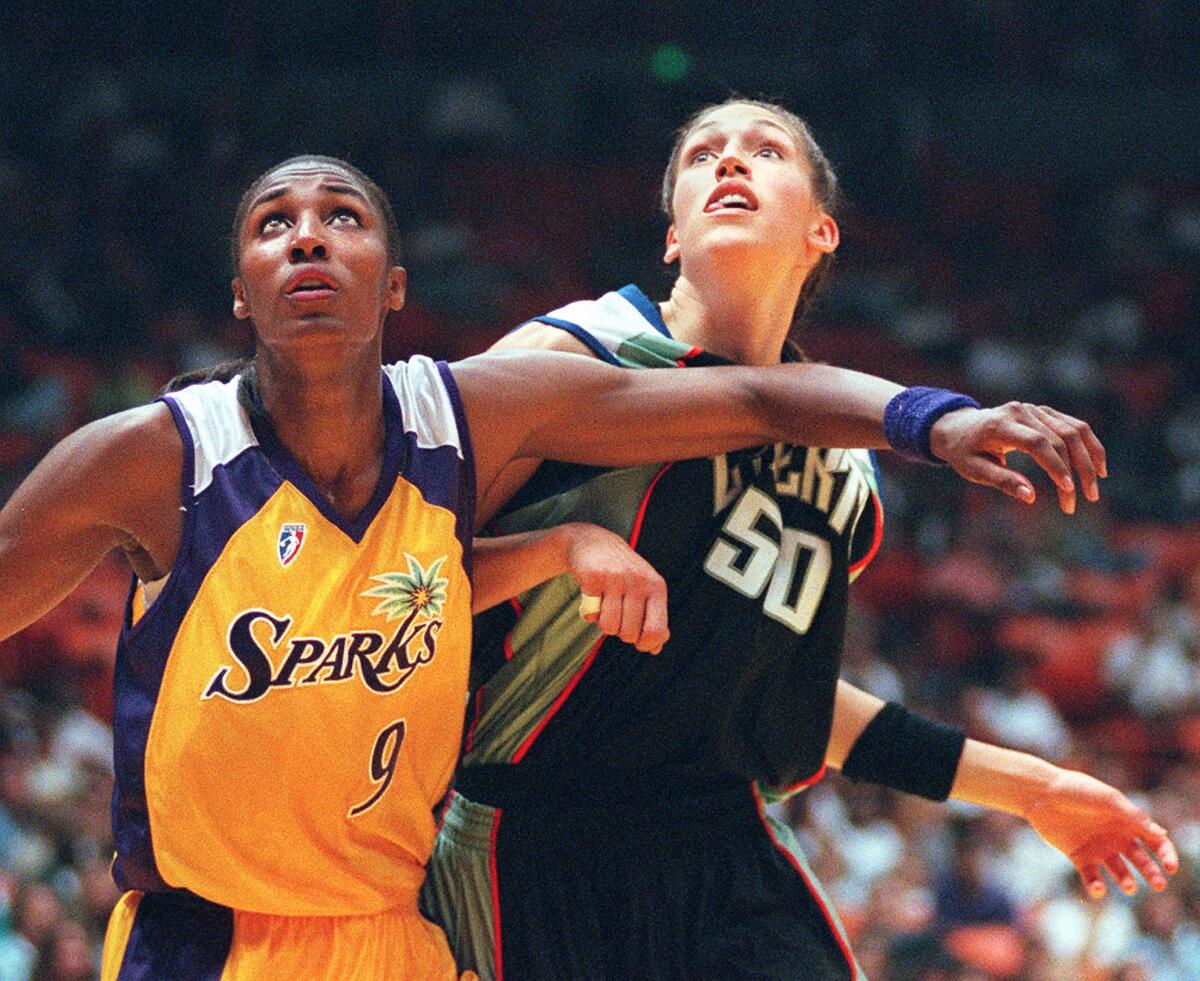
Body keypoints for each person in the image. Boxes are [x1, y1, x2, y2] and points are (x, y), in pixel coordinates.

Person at [0, 154, 1090, 980]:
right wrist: (566, 546)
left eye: (342, 219)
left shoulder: (468, 415)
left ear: (394, 286)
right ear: (241, 292)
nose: (308, 239)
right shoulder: (152, 460)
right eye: (273, 226)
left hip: (396, 932)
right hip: (207, 935)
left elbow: (751, 402)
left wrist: (931, 422)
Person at [420, 100, 1178, 980]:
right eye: (703, 155)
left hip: (724, 845)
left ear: (822, 231)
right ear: (672, 235)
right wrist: (564, 546)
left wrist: (1033, 788)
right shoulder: (576, 349)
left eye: (764, 150)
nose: (730, 163)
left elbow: (781, 697)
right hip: (539, 834)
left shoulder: (844, 477)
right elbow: (398, 573)